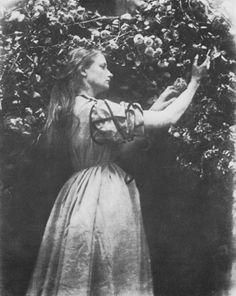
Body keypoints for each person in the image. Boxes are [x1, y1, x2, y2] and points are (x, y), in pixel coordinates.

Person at [25, 47, 210, 296]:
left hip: (76, 196)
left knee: (82, 268)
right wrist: (195, 82)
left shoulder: (69, 108)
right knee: (107, 267)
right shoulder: (97, 110)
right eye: (102, 66)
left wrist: (154, 106)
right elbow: (168, 119)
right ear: (83, 70)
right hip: (103, 198)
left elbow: (122, 148)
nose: (109, 73)